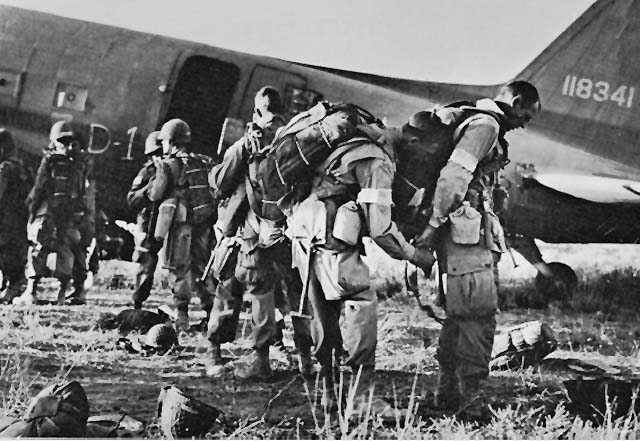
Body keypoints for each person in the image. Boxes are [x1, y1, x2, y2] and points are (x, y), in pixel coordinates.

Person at [284, 113, 436, 408]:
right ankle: (361, 396)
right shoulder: (377, 160)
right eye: (425, 150)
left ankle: (328, 391)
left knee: (322, 311)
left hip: (305, 230)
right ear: (414, 139)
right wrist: (416, 256)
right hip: (330, 236)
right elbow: (380, 229)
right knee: (361, 304)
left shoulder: (358, 139)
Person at [414, 80, 541, 414]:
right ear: (515, 102)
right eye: (527, 113)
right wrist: (432, 226)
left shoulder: (484, 125)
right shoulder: (485, 126)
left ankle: (448, 396)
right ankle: (471, 403)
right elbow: (453, 178)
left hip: (466, 236)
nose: (526, 122)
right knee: (477, 315)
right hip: (464, 239)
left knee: (460, 314)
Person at [206, 86, 313, 379]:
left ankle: (247, 359)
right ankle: (306, 360)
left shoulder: (246, 144)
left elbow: (220, 186)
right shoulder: (299, 142)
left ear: (256, 111)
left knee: (237, 288)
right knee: (297, 295)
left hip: (251, 235)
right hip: (292, 235)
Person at [147, 119, 216, 331]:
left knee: (178, 268)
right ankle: (212, 315)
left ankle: (182, 316)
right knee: (203, 269)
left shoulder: (167, 165)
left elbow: (155, 194)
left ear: (170, 142)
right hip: (203, 222)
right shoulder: (201, 162)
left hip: (181, 226)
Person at [15, 121, 92, 306]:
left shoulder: (50, 162)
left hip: (47, 213)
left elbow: (40, 188)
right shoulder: (79, 166)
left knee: (39, 248)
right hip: (70, 215)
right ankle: (62, 294)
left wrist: (32, 212)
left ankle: (31, 291)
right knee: (67, 251)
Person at [127, 131, 164, 309]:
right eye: (155, 154)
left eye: (161, 153)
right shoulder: (146, 173)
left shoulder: (175, 169)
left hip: (167, 220)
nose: (159, 157)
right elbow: (132, 199)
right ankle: (138, 302)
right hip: (147, 220)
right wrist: (148, 188)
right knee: (144, 260)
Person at [0, 129, 31, 304]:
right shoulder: (22, 167)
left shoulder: (5, 169)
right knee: (13, 253)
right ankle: (10, 285)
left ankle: (13, 286)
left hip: (6, 220)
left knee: (6, 254)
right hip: (18, 220)